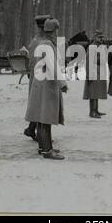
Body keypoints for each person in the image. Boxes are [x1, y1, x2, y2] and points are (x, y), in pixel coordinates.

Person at [25, 18, 68, 160]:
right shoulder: (48, 45)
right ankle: (47, 150)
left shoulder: (40, 43)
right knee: (46, 119)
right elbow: (53, 67)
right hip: (47, 86)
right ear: (54, 31)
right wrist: (62, 83)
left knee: (42, 118)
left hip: (39, 84)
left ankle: (43, 147)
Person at [23, 14, 52, 142]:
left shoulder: (42, 40)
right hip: (39, 78)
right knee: (40, 105)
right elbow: (33, 62)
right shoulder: (37, 42)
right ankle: (40, 136)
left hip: (40, 77)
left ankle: (31, 129)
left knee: (40, 105)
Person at [83, 29, 108, 118]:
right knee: (93, 94)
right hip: (93, 72)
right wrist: (89, 75)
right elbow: (89, 61)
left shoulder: (100, 46)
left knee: (96, 93)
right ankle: (92, 112)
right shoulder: (92, 47)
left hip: (99, 72)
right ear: (95, 37)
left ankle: (96, 110)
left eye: (102, 37)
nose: (101, 39)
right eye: (99, 37)